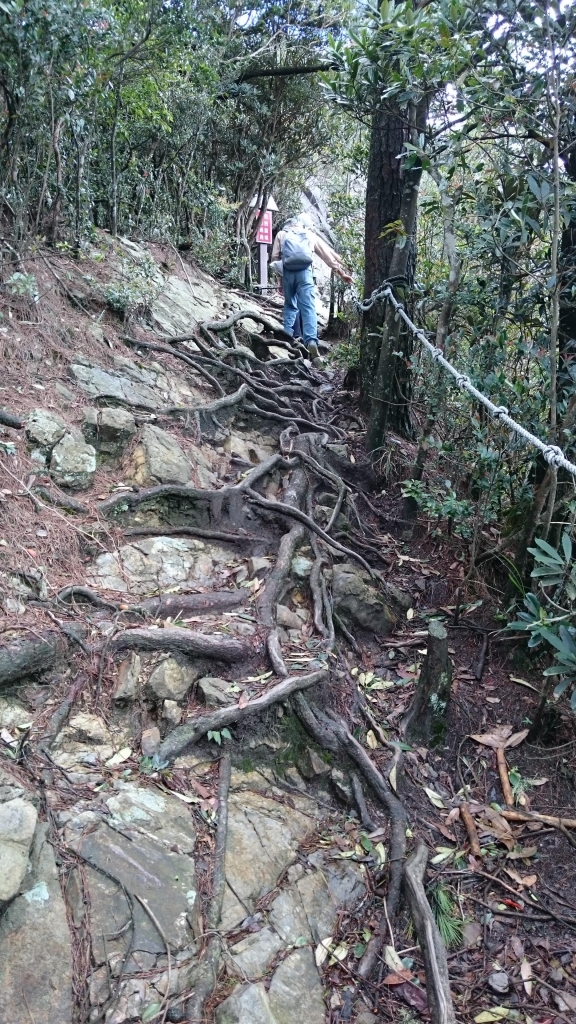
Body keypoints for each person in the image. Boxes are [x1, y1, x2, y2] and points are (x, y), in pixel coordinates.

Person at [270, 213, 353, 362]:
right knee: (308, 308)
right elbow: (328, 257)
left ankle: (287, 339)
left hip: (288, 273)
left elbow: (275, 259)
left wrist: (280, 282)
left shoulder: (282, 234)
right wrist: (342, 274)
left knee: (290, 306)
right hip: (305, 274)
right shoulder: (308, 234)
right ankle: (312, 342)